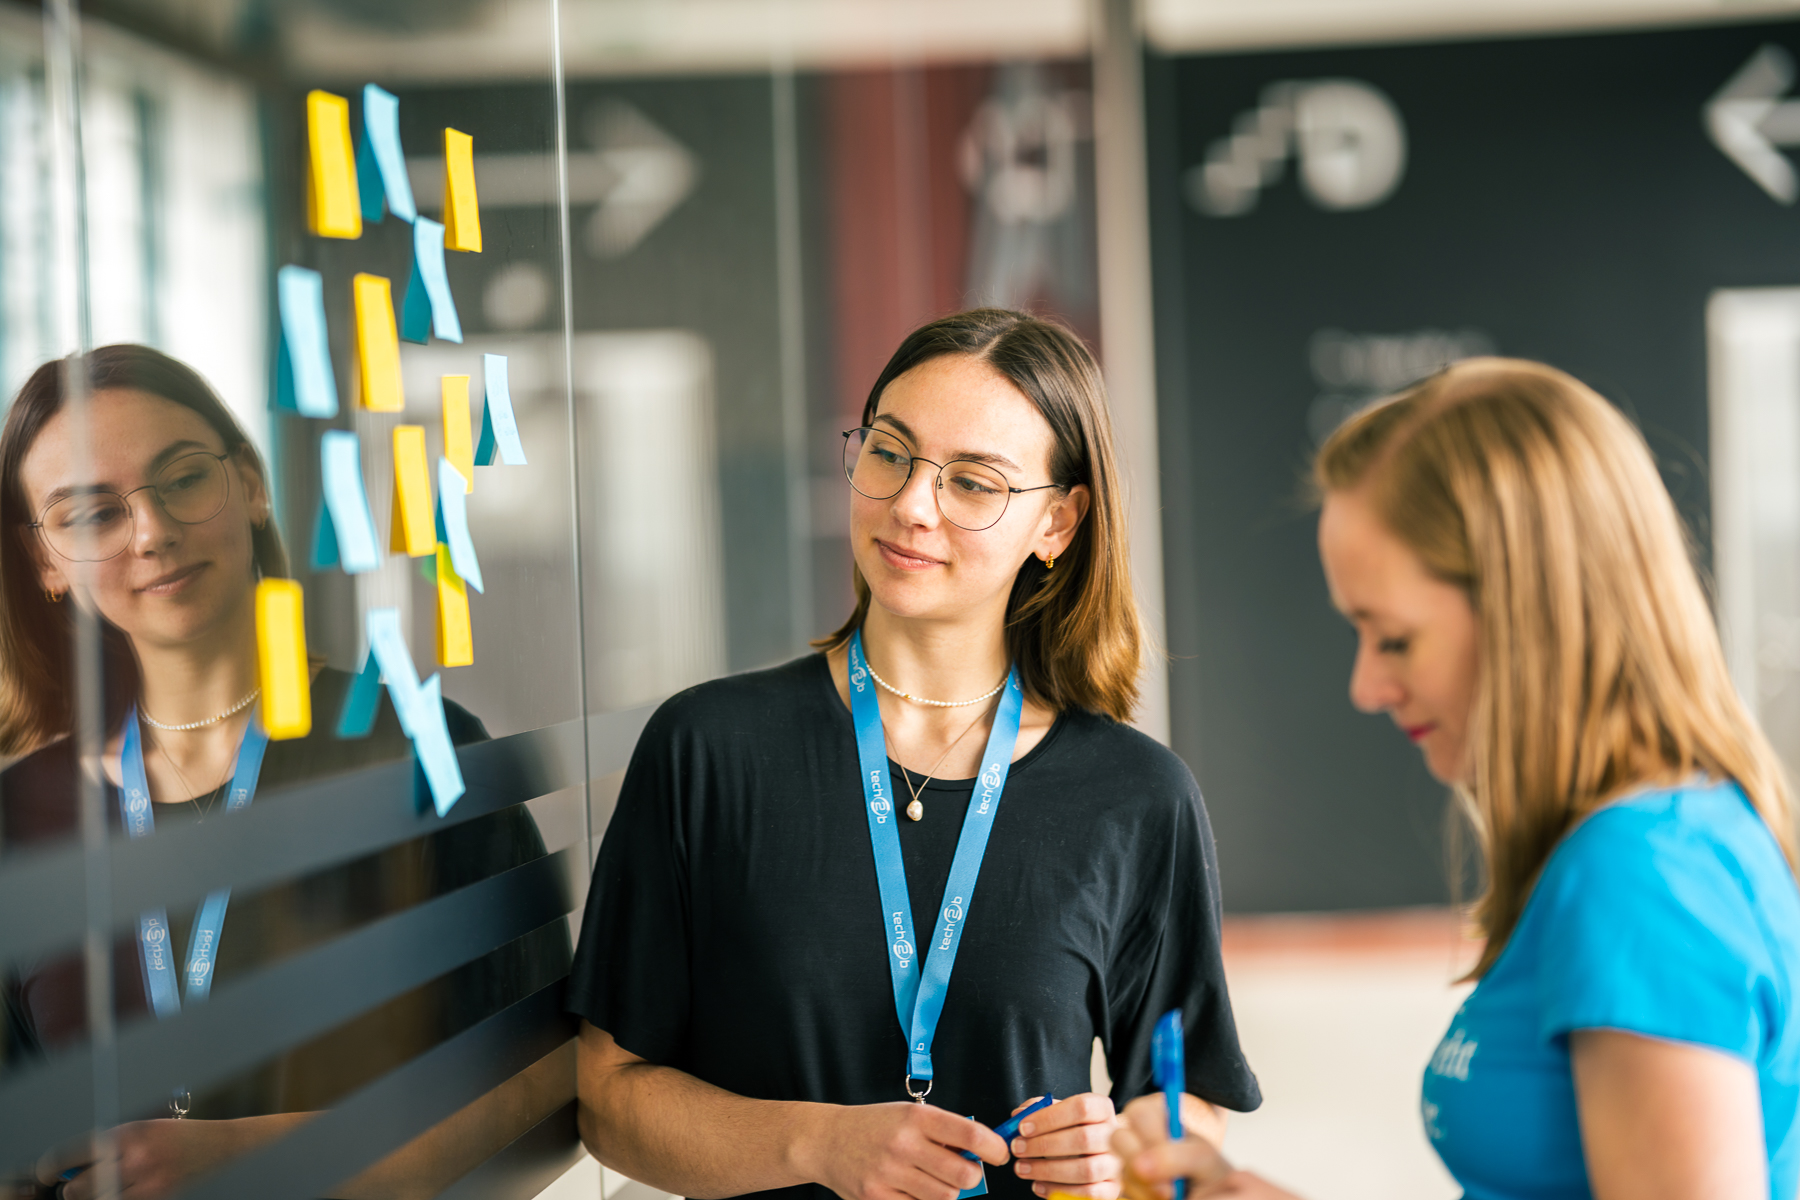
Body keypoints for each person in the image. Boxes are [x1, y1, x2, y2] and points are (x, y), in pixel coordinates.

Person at [569, 308, 1260, 1200]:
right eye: (889, 451)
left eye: (973, 483)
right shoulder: (708, 750)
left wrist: (1128, 1154)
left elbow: (1190, 1104)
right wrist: (817, 1143)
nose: (910, 504)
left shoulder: (1135, 796)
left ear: (1057, 522)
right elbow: (606, 1098)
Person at [1110, 358, 1800, 1199]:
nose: (1366, 687)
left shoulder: (1638, 874)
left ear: (1530, 615)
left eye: (1394, 638)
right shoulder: (1660, 835)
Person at [0, 346, 560, 1200]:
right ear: (43, 560)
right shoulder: (20, 819)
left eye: (182, 479)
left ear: (252, 485)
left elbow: (543, 1090)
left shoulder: (420, 753)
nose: (150, 533)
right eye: (91, 515)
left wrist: (243, 1159)